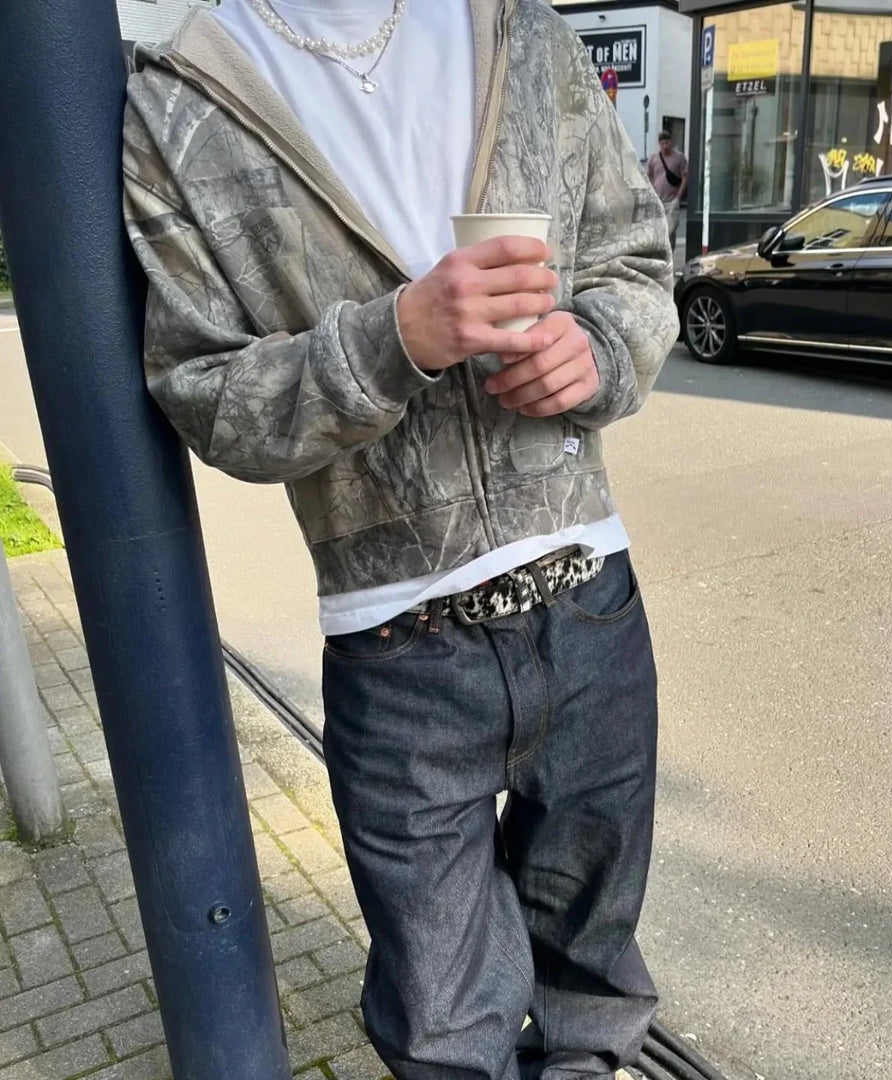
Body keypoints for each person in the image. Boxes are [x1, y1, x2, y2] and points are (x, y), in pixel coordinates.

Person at [122, 1, 677, 1077]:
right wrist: (397, 339)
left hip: (589, 595)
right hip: (397, 640)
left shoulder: (521, 30)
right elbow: (207, 395)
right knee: (443, 1027)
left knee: (593, 983)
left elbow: (633, 260)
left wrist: (600, 351)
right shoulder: (182, 95)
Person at [647, 132, 689, 254]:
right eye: (662, 143)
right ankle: (662, 258)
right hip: (657, 201)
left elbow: (685, 177)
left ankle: (669, 254)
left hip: (672, 201)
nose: (665, 145)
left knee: (670, 231)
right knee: (658, 232)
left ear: (671, 142)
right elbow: (648, 178)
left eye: (667, 142)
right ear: (659, 144)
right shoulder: (653, 159)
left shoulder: (679, 158)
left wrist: (678, 197)